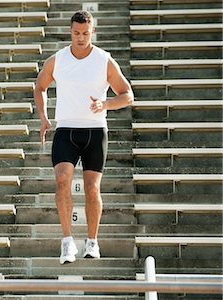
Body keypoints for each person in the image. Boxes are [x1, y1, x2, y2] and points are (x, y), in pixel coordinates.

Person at [33, 10, 133, 264]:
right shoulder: (58, 60)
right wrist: (44, 117)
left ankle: (92, 241)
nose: (80, 38)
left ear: (93, 32)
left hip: (95, 131)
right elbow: (40, 86)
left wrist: (105, 104)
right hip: (65, 130)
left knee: (92, 188)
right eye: (76, 33)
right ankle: (67, 242)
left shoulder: (104, 60)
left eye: (85, 33)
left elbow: (127, 94)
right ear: (70, 31)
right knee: (63, 181)